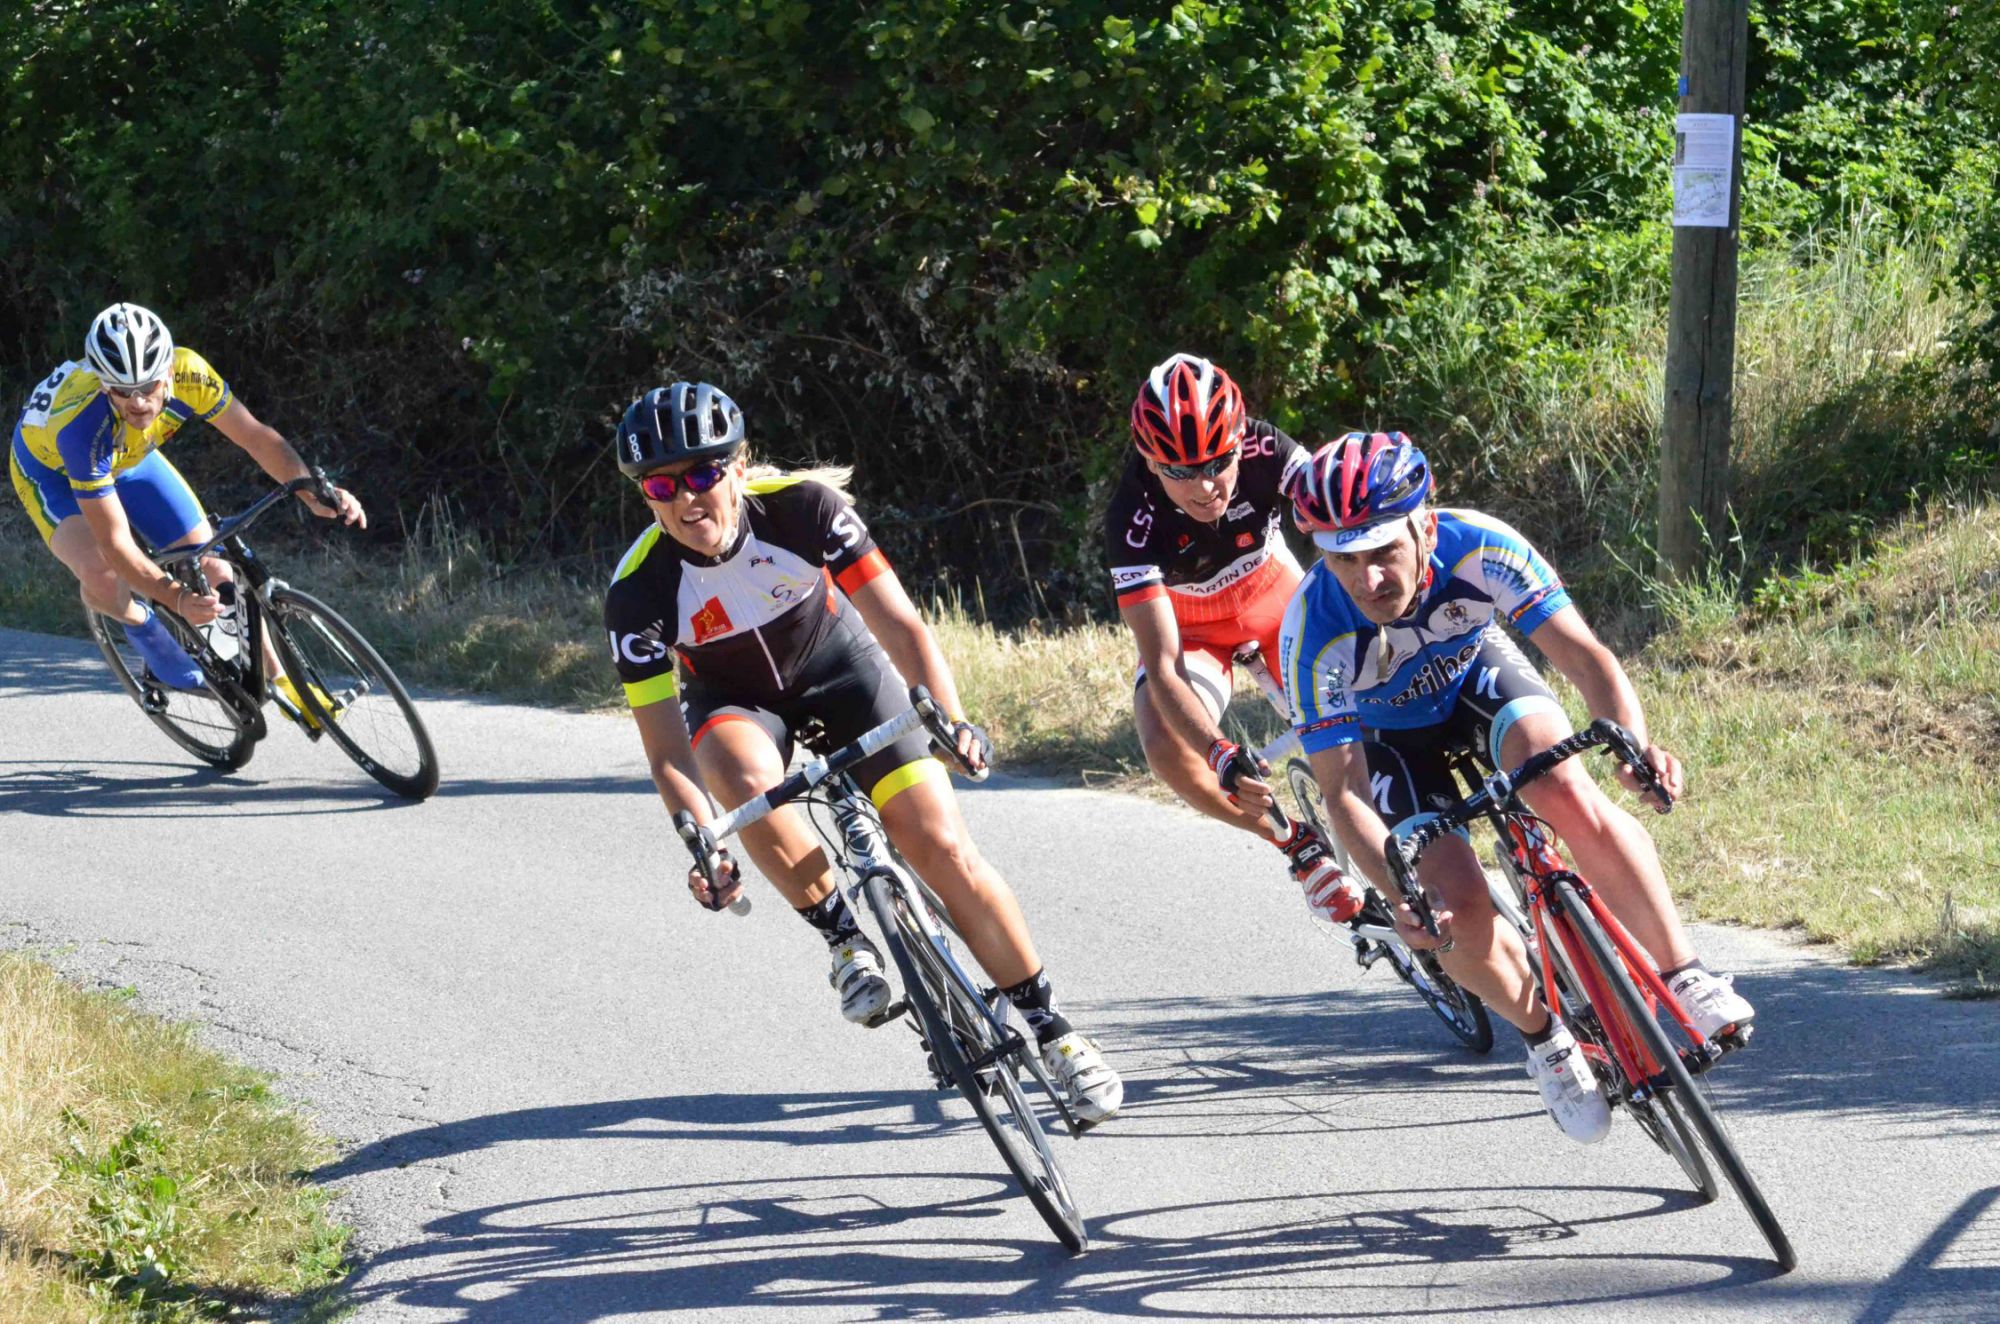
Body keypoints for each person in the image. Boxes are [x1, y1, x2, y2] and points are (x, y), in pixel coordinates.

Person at [605, 381, 1123, 1125]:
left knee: (942, 846)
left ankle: (1054, 1030)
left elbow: (902, 625)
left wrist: (951, 720)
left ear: (739, 466)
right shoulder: (636, 593)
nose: (686, 498)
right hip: (736, 703)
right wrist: (704, 842)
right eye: (661, 485)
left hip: (845, 673)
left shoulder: (805, 509)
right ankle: (843, 937)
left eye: (703, 473)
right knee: (734, 773)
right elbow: (666, 753)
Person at [1274, 430, 1756, 1144]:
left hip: (1477, 681)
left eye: (1382, 552)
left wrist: (1632, 745)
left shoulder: (1480, 546)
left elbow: (1586, 658)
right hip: (1388, 744)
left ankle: (1684, 974)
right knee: (1452, 910)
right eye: (1344, 559)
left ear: (1424, 527)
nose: (1368, 579)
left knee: (1565, 787)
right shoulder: (1312, 629)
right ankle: (1545, 1039)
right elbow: (1344, 793)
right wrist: (1403, 894)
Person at [1105, 352, 1362, 923]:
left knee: (1370, 699)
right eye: (1178, 471)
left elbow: (1345, 511)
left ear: (1240, 439)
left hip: (1276, 601)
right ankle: (1294, 843)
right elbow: (1164, 666)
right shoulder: (1130, 518)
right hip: (1194, 630)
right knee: (1163, 740)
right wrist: (1218, 752)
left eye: (1218, 462)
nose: (1204, 486)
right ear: (1149, 460)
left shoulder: (1267, 448)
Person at [9, 302, 365, 708]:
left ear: (167, 373)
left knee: (214, 565)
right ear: (104, 385)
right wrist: (174, 598)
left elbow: (255, 437)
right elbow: (116, 543)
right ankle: (143, 627)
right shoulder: (82, 431)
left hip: (130, 459)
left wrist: (311, 492)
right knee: (102, 572)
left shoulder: (190, 372)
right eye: (122, 391)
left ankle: (285, 685)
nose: (138, 403)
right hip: (51, 473)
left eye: (148, 387)